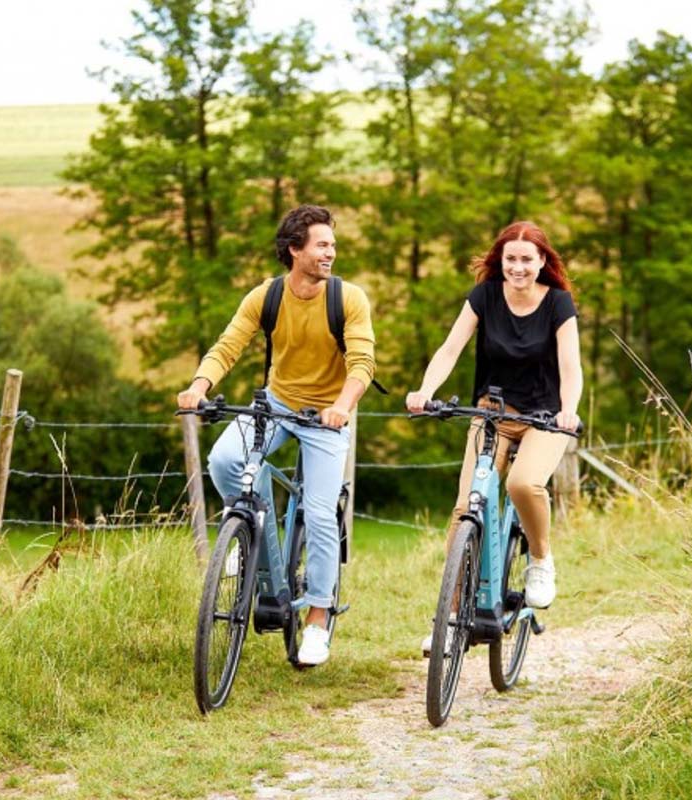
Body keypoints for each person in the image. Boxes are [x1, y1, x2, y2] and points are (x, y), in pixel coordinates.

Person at [178, 205, 376, 666]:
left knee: (322, 514)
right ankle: (251, 536)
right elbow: (228, 346)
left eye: (332, 244)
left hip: (327, 414)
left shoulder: (348, 299)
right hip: (278, 403)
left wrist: (342, 407)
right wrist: (198, 386)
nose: (331, 252)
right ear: (295, 250)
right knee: (227, 461)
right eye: (322, 244)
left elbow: (363, 362)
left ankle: (318, 620)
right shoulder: (265, 296)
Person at [406, 221, 581, 649]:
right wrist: (425, 392)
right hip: (492, 412)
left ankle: (540, 557)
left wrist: (568, 412)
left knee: (523, 483)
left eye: (526, 259)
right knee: (467, 505)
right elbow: (451, 348)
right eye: (510, 259)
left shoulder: (559, 303)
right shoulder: (484, 296)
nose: (518, 267)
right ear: (499, 260)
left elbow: (571, 368)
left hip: (545, 417)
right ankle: (447, 620)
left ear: (542, 262)